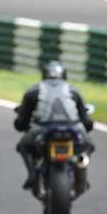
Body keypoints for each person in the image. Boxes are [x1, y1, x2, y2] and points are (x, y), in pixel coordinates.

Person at [14, 60, 94, 189]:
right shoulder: (73, 90)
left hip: (44, 128)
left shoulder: (33, 91)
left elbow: (22, 122)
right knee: (88, 145)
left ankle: (32, 176)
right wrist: (88, 125)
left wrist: (20, 123)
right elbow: (87, 122)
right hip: (72, 128)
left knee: (23, 146)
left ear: (44, 74)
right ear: (64, 75)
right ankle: (81, 171)